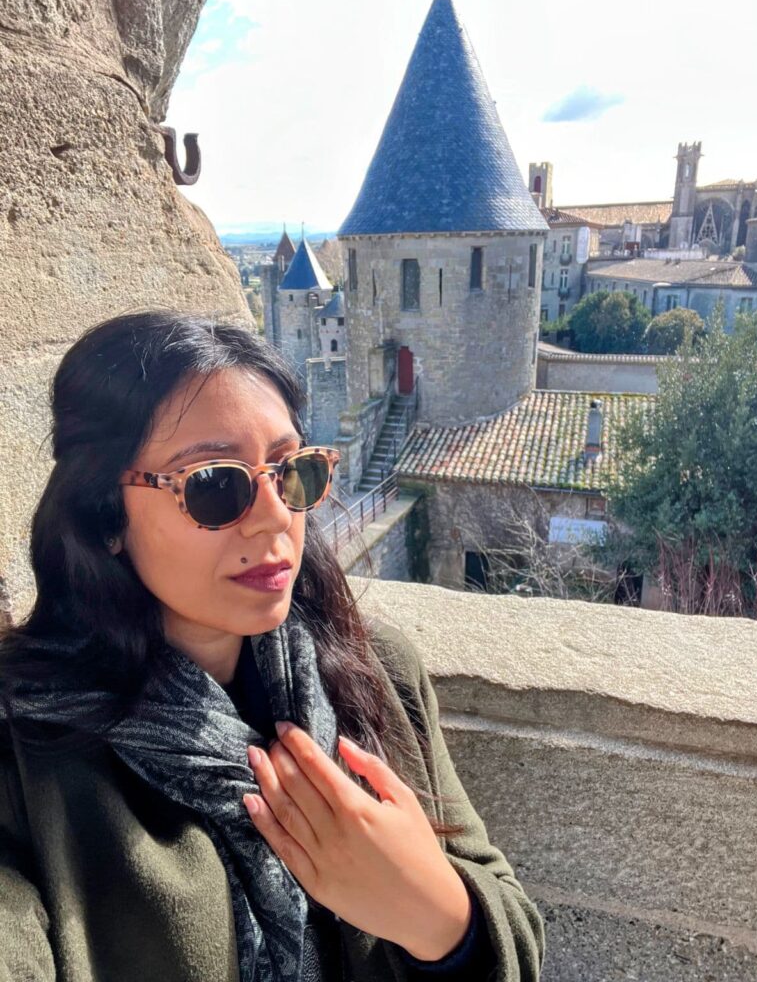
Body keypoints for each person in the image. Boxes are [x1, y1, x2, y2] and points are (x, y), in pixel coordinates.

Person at [0, 310, 545, 982]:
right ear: (101, 514)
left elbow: (515, 936)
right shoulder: (23, 756)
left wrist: (434, 913)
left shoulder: (374, 673)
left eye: (292, 473)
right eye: (214, 485)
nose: (276, 519)